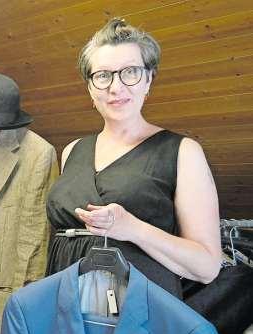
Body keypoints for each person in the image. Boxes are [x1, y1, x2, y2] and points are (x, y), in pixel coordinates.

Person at [46, 18, 221, 297]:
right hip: (66, 303)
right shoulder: (72, 150)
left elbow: (207, 266)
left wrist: (133, 228)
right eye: (103, 75)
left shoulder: (182, 151)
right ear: (90, 88)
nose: (116, 87)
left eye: (130, 72)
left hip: (140, 308)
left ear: (148, 79)